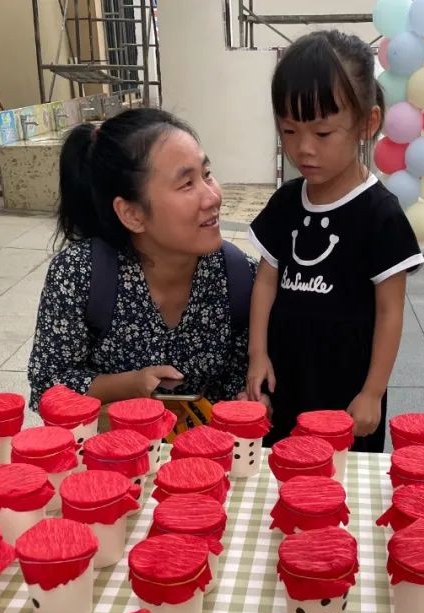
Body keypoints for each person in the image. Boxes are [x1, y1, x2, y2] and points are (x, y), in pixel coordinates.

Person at [245, 30, 422, 452]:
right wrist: (257, 356)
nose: (303, 149)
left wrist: (373, 393)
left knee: (339, 485)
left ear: (367, 123)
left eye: (322, 134)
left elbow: (390, 311)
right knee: (284, 472)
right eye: (288, 131)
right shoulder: (287, 201)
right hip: (285, 377)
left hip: (347, 390)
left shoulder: (380, 214)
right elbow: (266, 281)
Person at [27, 109, 256, 410]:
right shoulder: (80, 274)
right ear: (132, 214)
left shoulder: (241, 277)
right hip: (112, 453)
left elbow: (243, 381)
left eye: (207, 174)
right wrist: (131, 385)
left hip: (208, 453)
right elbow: (49, 384)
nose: (213, 197)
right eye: (187, 184)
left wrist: (254, 399)